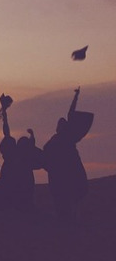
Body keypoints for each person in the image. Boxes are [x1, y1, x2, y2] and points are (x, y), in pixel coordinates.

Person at [42, 87, 91, 220]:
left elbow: (71, 113)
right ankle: (65, 216)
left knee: (71, 193)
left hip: (69, 170)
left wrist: (76, 97)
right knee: (61, 196)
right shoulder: (57, 139)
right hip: (59, 172)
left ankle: (71, 215)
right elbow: (46, 153)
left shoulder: (67, 138)